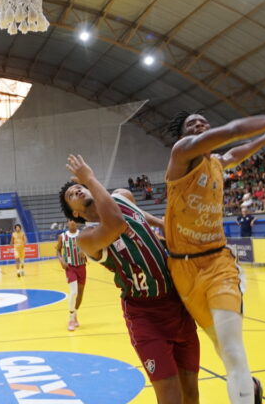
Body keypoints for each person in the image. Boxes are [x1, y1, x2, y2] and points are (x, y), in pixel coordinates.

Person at [164, 105, 265, 404]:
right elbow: (232, 131)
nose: (199, 125)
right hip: (183, 270)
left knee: (233, 351)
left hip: (218, 263)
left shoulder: (217, 162)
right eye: (192, 123)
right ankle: (250, 385)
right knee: (223, 350)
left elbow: (236, 152)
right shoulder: (182, 154)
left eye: (203, 121)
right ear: (183, 135)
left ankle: (244, 389)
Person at [59, 155, 199, 404]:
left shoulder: (123, 195)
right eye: (72, 195)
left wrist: (160, 223)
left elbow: (135, 211)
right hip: (145, 315)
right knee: (170, 396)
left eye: (78, 186)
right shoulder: (87, 238)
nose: (77, 189)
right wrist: (89, 178)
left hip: (177, 304)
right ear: (75, 213)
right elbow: (115, 223)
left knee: (191, 393)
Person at [56, 219, 87, 332]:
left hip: (82, 266)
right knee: (73, 292)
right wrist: (61, 260)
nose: (72, 222)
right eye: (70, 221)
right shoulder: (62, 236)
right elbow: (58, 251)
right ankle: (70, 319)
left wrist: (85, 252)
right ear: (67, 223)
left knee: (80, 294)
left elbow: (89, 247)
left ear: (77, 223)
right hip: (70, 267)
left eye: (74, 221)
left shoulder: (82, 234)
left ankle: (75, 315)